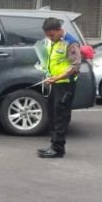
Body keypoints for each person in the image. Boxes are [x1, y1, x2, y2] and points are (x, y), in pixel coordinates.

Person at [37, 17, 81, 159]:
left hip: (65, 85)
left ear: (59, 30)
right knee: (52, 114)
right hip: (55, 84)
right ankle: (53, 145)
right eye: (47, 35)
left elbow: (75, 66)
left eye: (52, 35)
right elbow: (53, 61)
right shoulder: (53, 42)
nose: (50, 38)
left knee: (60, 117)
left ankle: (58, 149)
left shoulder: (71, 43)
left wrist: (57, 77)